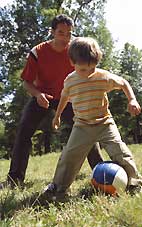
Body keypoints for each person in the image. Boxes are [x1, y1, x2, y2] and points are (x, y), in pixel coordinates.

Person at [0, 15, 103, 189]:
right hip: (43, 96)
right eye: (61, 33)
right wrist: (38, 94)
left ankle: (101, 172)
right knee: (24, 130)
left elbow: (89, 70)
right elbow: (26, 81)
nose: (65, 38)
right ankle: (15, 178)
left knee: (86, 128)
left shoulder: (76, 49)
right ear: (52, 32)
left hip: (69, 97)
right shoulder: (37, 52)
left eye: (69, 33)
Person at [41, 37, 142, 201]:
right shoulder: (70, 81)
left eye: (92, 68)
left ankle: (134, 183)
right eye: (83, 70)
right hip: (81, 126)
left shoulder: (103, 77)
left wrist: (132, 99)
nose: (88, 73)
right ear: (72, 62)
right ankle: (58, 187)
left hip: (104, 123)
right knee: (69, 156)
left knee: (120, 151)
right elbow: (64, 98)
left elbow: (123, 83)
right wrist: (57, 116)